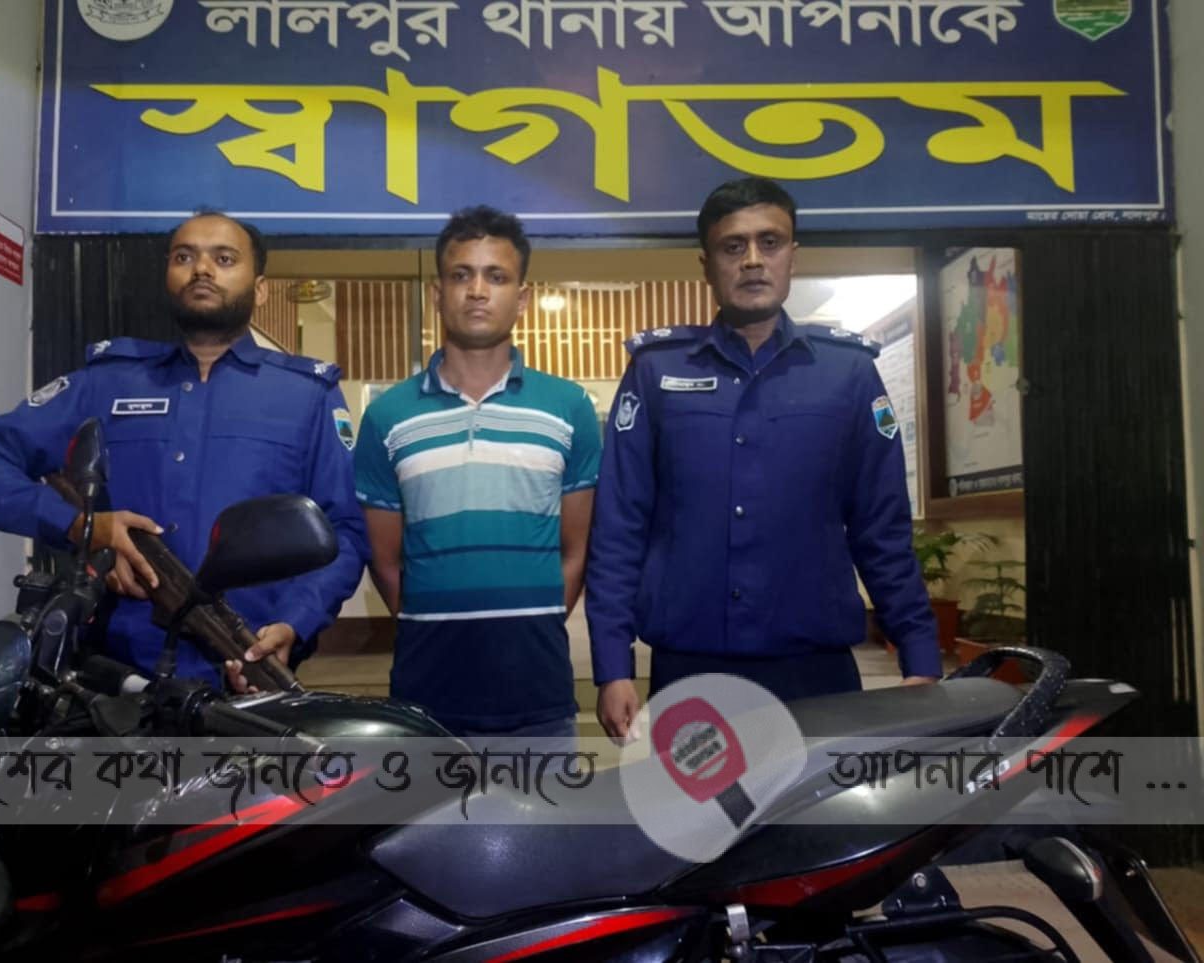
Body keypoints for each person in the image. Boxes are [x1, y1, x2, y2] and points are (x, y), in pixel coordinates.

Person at [0, 212, 368, 690]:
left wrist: (295, 622)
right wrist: (83, 526)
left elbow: (346, 532)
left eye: (224, 259)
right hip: (111, 680)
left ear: (261, 288)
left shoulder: (307, 395)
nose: (202, 269)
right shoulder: (108, 381)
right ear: (168, 278)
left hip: (247, 669)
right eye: (184, 257)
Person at [586, 177, 940, 740]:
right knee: (692, 804)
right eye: (733, 246)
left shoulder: (848, 373)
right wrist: (612, 664)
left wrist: (919, 654)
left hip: (818, 675)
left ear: (792, 255)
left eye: (769, 242)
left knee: (830, 804)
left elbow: (882, 527)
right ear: (707, 265)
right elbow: (619, 526)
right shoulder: (656, 371)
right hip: (690, 673)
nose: (753, 260)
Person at [354, 206, 601, 738]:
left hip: (538, 695)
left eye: (497, 276)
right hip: (426, 694)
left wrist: (531, 623)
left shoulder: (569, 408)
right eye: (461, 275)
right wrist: (434, 622)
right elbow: (386, 562)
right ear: (437, 293)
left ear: (522, 297)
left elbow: (575, 551)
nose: (478, 291)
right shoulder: (387, 416)